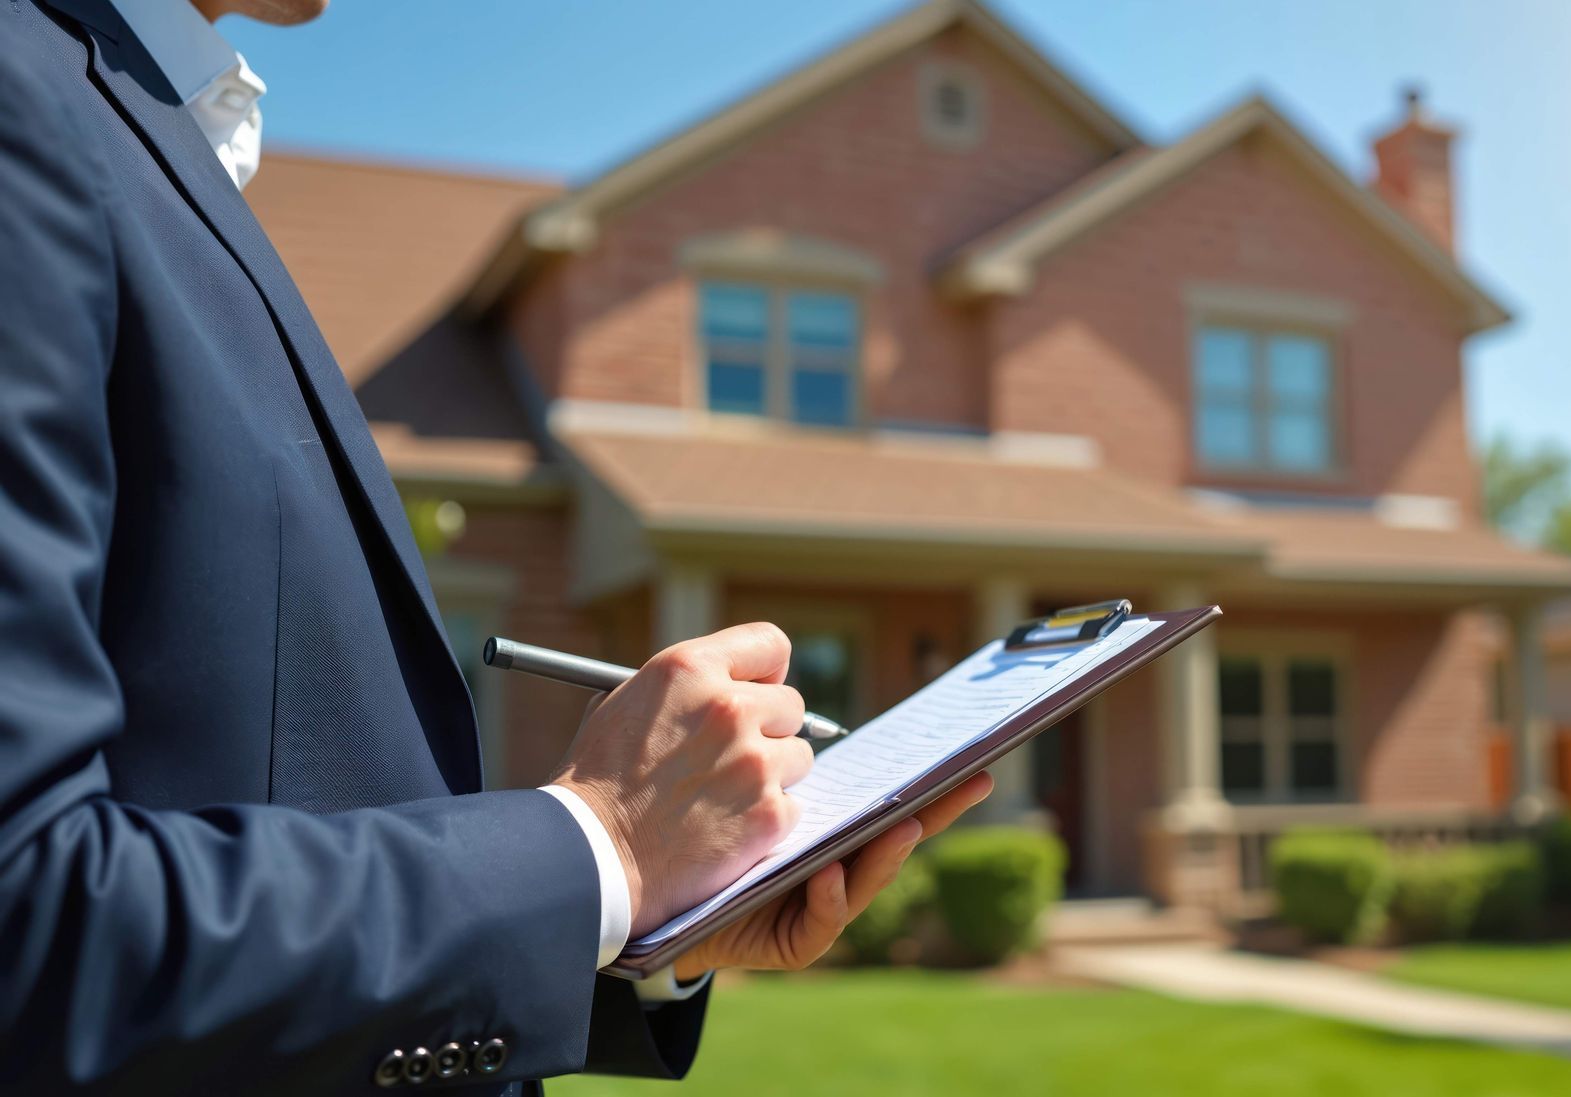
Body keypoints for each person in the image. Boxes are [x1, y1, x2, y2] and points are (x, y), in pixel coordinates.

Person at [0, 0, 992, 1092]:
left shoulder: (143, 121)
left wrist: (640, 919)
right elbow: (29, 915)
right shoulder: (27, 98)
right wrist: (599, 842)